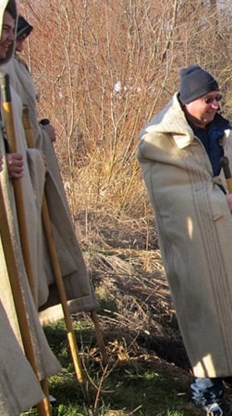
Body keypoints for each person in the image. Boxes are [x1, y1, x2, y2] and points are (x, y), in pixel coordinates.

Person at [138, 64, 232, 415]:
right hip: (194, 241)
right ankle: (206, 388)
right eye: (208, 99)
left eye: (218, 98)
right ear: (188, 100)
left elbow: (229, 177)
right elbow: (170, 200)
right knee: (206, 308)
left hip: (230, 232)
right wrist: (219, 202)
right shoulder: (157, 142)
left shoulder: (222, 132)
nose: (215, 105)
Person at [8, 14, 99, 326]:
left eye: (17, 35)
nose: (18, 43)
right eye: (12, 35)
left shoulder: (17, 66)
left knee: (41, 246)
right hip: (17, 175)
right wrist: (35, 144)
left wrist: (41, 134)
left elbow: (26, 118)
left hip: (33, 168)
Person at [0, 1, 61, 412]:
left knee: (25, 278)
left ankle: (31, 370)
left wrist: (34, 139)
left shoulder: (10, 71)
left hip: (18, 191)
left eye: (10, 26)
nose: (10, 35)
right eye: (3, 26)